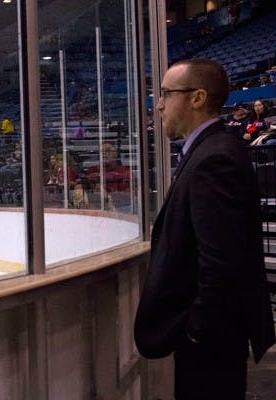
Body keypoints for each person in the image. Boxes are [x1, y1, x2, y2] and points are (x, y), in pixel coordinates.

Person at [134, 59, 275, 400]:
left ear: (197, 98)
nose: (160, 104)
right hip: (212, 337)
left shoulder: (215, 159)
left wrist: (196, 330)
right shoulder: (209, 150)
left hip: (211, 341)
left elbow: (220, 263)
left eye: (166, 93)